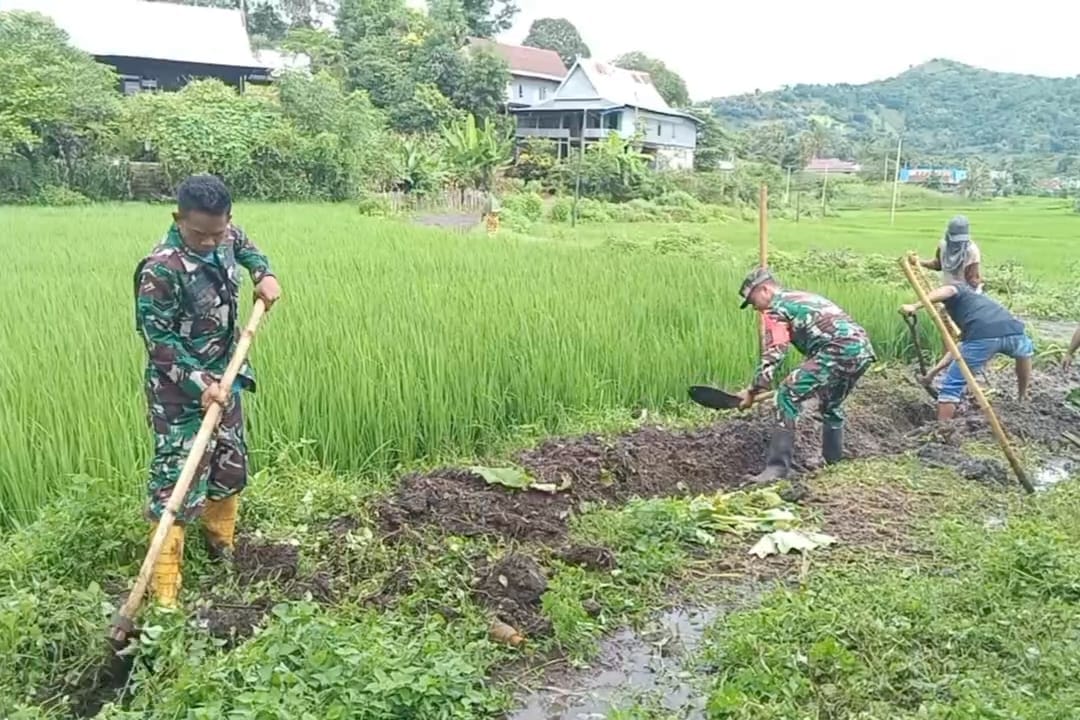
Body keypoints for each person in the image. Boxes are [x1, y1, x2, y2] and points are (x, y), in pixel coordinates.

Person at [134, 174, 281, 607]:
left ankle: (222, 547)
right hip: (179, 392)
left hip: (227, 373)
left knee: (229, 464)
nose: (209, 242)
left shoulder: (226, 234)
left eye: (217, 233)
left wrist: (264, 272)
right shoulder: (160, 269)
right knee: (174, 483)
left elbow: (247, 247)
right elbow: (160, 344)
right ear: (179, 219)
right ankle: (165, 591)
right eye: (199, 234)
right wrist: (201, 384)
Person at [734, 268, 877, 483]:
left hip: (836, 350)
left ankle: (776, 469)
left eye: (752, 300)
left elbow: (775, 351)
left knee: (786, 394)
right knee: (831, 403)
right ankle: (833, 460)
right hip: (862, 350)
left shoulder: (775, 309)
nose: (754, 307)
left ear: (764, 289)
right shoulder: (802, 297)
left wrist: (754, 390)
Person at [900, 282, 1032, 422]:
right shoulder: (978, 305)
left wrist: (915, 306)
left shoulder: (959, 290)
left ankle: (942, 429)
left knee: (952, 385)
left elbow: (948, 289)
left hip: (983, 335)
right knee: (1024, 355)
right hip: (1016, 332)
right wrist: (931, 374)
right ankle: (1022, 398)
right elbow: (957, 351)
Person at [919, 215, 983, 292]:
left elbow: (972, 279)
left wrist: (979, 284)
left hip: (965, 294)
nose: (958, 243)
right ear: (948, 235)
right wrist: (919, 262)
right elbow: (938, 265)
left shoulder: (971, 250)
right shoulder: (943, 245)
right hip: (946, 292)